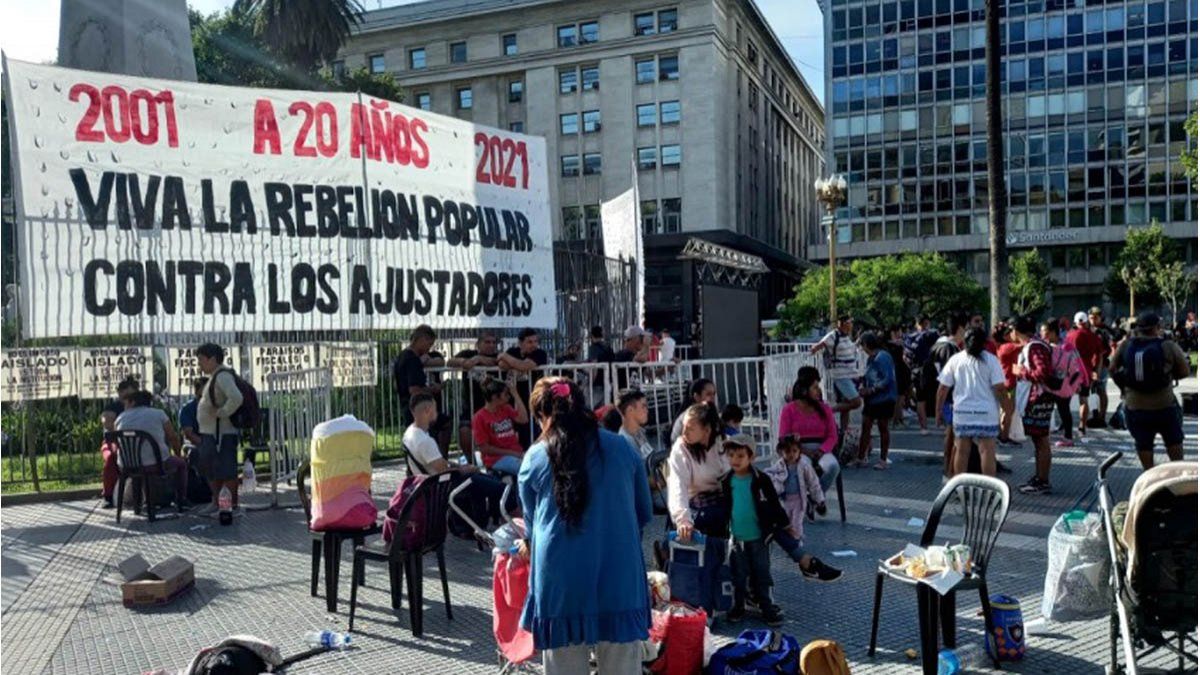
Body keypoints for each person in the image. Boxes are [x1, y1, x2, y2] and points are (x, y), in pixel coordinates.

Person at [516, 377, 652, 674]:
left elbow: (532, 525)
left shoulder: (535, 457)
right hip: (619, 574)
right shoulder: (624, 448)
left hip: (560, 580)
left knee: (563, 664)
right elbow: (643, 511)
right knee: (622, 664)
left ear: (543, 417)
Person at [721, 435, 842, 626]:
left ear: (751, 457)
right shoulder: (726, 481)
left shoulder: (761, 479)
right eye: (731, 455)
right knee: (739, 574)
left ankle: (767, 606)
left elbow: (774, 506)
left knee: (762, 573)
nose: (735, 460)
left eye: (740, 456)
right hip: (737, 538)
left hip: (759, 536)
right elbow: (724, 508)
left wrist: (786, 526)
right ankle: (739, 606)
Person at [404, 393, 509, 526]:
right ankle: (502, 521)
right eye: (435, 408)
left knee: (489, 479)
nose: (437, 412)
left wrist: (462, 467)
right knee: (500, 487)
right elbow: (444, 470)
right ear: (427, 410)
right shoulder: (424, 441)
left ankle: (483, 523)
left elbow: (440, 463)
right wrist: (465, 469)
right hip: (441, 486)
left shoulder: (410, 432)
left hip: (434, 482)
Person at [1110, 312, 1190, 469]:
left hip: (1135, 405)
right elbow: (1185, 371)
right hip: (1164, 403)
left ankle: (1148, 473)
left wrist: (1123, 388)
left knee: (1143, 443)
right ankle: (1178, 473)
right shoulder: (1167, 345)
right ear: (1157, 327)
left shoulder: (1126, 345)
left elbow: (1112, 368)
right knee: (1174, 440)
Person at [935, 327, 1010, 477]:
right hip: (986, 414)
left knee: (962, 450)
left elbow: (943, 388)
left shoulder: (956, 360)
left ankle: (959, 487)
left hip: (962, 413)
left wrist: (939, 411)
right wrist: (1007, 410)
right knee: (987, 451)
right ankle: (988, 489)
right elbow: (1000, 389)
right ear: (984, 343)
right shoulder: (991, 360)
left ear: (964, 342)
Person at [115, 390, 190, 509]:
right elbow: (173, 438)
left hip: (126, 465)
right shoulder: (159, 414)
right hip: (156, 464)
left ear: (132, 402)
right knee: (181, 464)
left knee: (142, 465)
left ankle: (141, 503)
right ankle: (181, 499)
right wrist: (178, 454)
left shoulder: (121, 417)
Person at [666, 403, 729, 542]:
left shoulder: (723, 443)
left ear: (706, 430)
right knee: (713, 518)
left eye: (690, 429)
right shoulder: (680, 448)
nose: (683, 432)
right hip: (696, 503)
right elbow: (678, 487)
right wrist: (683, 520)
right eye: (683, 427)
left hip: (724, 497)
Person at [195, 343, 244, 514]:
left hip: (222, 434)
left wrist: (221, 413)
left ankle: (230, 506)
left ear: (213, 359)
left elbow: (236, 398)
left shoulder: (222, 376)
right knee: (214, 469)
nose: (199, 364)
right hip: (212, 433)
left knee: (226, 470)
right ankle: (217, 503)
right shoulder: (215, 376)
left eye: (201, 360)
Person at [778, 366, 841, 495]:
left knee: (832, 466)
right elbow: (783, 437)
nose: (819, 391)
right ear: (805, 390)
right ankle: (806, 502)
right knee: (802, 468)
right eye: (815, 387)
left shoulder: (825, 409)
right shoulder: (789, 410)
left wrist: (821, 451)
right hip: (799, 451)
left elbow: (832, 436)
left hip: (822, 450)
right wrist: (803, 450)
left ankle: (815, 497)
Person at [1012, 316, 1057, 495]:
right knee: (1039, 440)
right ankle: (1040, 477)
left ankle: (1043, 480)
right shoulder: (1036, 344)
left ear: (1017, 331)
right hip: (1039, 398)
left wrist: (1021, 371)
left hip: (1038, 399)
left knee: (1041, 440)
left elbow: (1042, 372)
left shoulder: (1035, 346)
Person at [392, 324, 449, 451]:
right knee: (442, 426)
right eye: (429, 344)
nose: (429, 349)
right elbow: (415, 390)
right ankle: (440, 459)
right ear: (422, 339)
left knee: (414, 442)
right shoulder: (413, 359)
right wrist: (434, 389)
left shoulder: (401, 357)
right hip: (419, 409)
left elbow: (396, 385)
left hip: (407, 406)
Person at [447, 331, 502, 459]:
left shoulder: (499, 356)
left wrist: (484, 360)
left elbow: (501, 362)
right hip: (471, 405)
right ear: (478, 344)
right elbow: (450, 362)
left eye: (494, 342)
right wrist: (475, 359)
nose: (491, 345)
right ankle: (472, 462)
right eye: (487, 342)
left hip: (495, 408)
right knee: (464, 431)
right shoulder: (469, 354)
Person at [763, 437, 825, 545]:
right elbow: (769, 473)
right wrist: (775, 480)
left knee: (797, 522)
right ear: (781, 452)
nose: (791, 454)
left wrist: (819, 499)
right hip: (785, 499)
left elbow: (813, 482)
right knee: (786, 521)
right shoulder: (780, 464)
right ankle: (788, 539)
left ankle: (796, 541)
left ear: (799, 451)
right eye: (787, 451)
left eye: (794, 451)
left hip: (799, 499)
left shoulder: (804, 465)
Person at [925, 316, 965, 478]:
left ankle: (949, 469)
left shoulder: (937, 346)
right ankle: (950, 471)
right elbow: (948, 379)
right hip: (950, 397)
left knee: (951, 435)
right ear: (960, 328)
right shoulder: (951, 349)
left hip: (942, 395)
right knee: (953, 436)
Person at [809, 314, 863, 431]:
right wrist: (814, 350)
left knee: (846, 406)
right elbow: (820, 344)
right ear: (843, 324)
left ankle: (844, 431)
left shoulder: (847, 337)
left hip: (851, 374)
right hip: (841, 375)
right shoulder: (833, 336)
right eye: (849, 323)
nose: (851, 326)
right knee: (856, 402)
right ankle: (828, 410)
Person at [1042, 319, 1088, 448]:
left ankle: (1068, 437)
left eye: (1045, 331)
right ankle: (1047, 435)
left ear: (1053, 332)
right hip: (1051, 385)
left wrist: (1079, 382)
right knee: (1047, 410)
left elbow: (1077, 366)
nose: (1043, 334)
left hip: (1063, 386)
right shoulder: (1045, 346)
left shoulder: (1066, 347)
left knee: (1064, 411)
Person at [500, 328, 549, 448]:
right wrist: (514, 363)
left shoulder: (540, 353)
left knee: (532, 436)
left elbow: (524, 366)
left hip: (533, 402)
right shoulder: (513, 351)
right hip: (513, 401)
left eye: (535, 341)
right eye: (530, 342)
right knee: (513, 436)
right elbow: (501, 364)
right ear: (520, 343)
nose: (534, 345)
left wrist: (505, 356)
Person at [472, 377, 530, 477]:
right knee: (528, 469)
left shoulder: (506, 408)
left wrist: (515, 393)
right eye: (506, 394)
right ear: (495, 397)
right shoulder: (479, 417)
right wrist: (511, 453)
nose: (509, 397)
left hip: (516, 454)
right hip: (496, 459)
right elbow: (484, 448)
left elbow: (524, 419)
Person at [856, 331, 897, 470]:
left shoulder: (882, 357)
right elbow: (869, 375)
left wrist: (872, 389)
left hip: (884, 398)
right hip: (872, 399)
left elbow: (887, 378)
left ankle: (883, 459)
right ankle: (861, 457)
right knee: (865, 426)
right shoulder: (871, 359)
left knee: (882, 427)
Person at [99, 376, 140, 508]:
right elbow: (108, 423)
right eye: (124, 394)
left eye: (131, 394)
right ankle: (108, 496)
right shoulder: (113, 406)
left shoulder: (141, 407)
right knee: (111, 457)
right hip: (113, 441)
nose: (127, 397)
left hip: (137, 442)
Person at [1066, 311, 1105, 439]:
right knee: (1084, 399)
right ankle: (1082, 426)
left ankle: (1067, 427)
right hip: (1086, 371)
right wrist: (1097, 371)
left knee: (1065, 400)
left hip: (1071, 372)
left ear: (1076, 322)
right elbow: (1100, 354)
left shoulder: (1070, 335)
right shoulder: (1093, 336)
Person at [904, 316, 941, 432]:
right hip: (929, 368)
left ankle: (923, 427)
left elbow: (905, 356)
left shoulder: (909, 338)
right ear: (926, 323)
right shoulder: (931, 335)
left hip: (915, 369)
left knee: (920, 399)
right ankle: (941, 423)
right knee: (938, 395)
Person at [1087, 307, 1116, 426]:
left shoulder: (1105, 331)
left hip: (1102, 364)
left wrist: (1110, 362)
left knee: (1101, 390)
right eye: (1091, 317)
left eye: (1095, 317)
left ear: (1100, 317)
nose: (1093, 320)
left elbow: (1113, 347)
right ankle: (1095, 414)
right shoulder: (1088, 329)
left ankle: (1102, 416)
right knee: (1092, 391)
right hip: (1090, 364)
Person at [996, 322, 1022, 445]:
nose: (1011, 334)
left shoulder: (1001, 347)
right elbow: (1025, 344)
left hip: (1004, 382)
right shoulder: (1008, 347)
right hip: (1009, 383)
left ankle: (1003, 435)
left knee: (1005, 410)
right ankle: (1004, 437)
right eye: (1009, 333)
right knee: (1008, 411)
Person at [670, 378, 717, 442]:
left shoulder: (710, 413)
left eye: (714, 394)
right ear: (697, 397)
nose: (713, 398)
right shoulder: (690, 417)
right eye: (708, 394)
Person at [887, 325, 913, 428]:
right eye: (899, 331)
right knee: (899, 396)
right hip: (899, 370)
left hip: (899, 370)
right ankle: (896, 419)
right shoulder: (895, 344)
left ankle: (899, 418)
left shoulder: (889, 344)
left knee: (900, 396)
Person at [617, 390, 654, 458]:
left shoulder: (639, 432)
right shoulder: (625, 442)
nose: (647, 411)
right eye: (643, 407)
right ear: (630, 410)